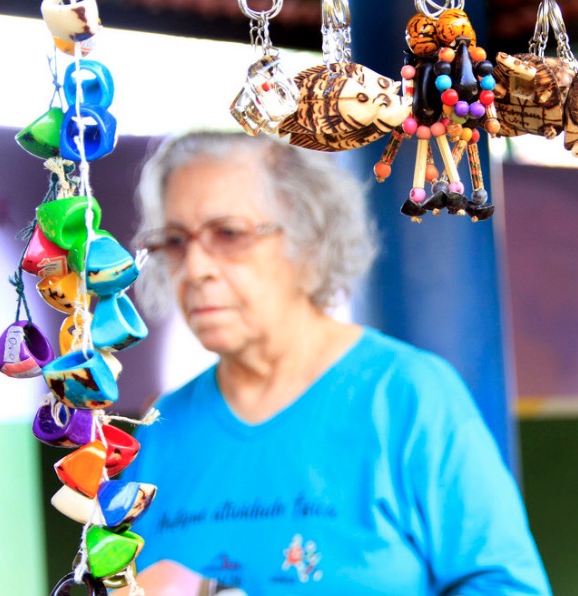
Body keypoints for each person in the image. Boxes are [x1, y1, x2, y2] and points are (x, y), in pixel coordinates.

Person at [117, 131, 550, 595]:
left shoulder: (407, 396)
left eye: (228, 233)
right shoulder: (158, 432)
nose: (195, 268)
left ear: (308, 241)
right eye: (175, 241)